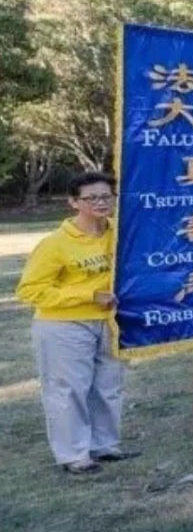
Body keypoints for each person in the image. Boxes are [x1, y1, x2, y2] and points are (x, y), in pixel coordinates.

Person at [17, 172, 133, 473]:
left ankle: (104, 445)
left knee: (108, 385)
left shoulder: (121, 234)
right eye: (90, 198)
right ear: (73, 202)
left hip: (110, 321)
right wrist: (89, 295)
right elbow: (30, 291)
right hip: (64, 324)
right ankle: (74, 455)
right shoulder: (55, 243)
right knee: (69, 389)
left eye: (106, 196)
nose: (100, 202)